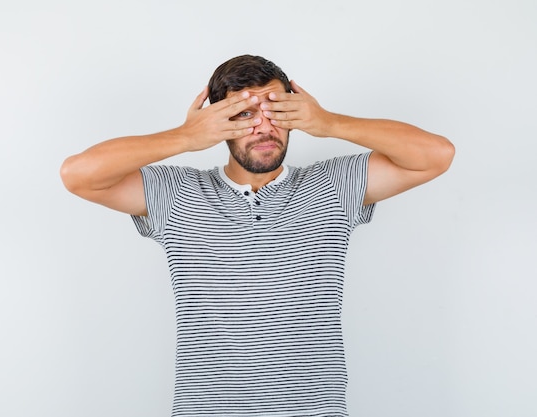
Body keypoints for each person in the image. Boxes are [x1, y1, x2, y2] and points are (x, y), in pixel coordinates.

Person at [60, 55, 454, 417]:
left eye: (276, 111)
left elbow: (436, 155)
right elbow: (78, 175)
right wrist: (184, 137)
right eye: (244, 114)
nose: (264, 127)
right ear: (216, 122)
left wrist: (330, 123)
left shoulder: (333, 185)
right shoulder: (176, 194)